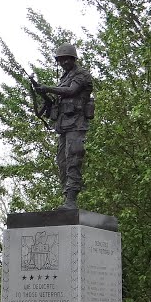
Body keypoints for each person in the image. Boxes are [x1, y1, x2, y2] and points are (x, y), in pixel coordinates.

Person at [30, 43, 94, 210]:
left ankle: (71, 200)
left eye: (67, 59)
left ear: (73, 59)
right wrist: (43, 93)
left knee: (73, 158)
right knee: (62, 162)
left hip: (77, 124)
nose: (64, 62)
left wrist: (48, 88)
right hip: (64, 125)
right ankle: (67, 198)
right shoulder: (64, 77)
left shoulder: (81, 75)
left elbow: (71, 91)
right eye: (61, 60)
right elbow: (60, 95)